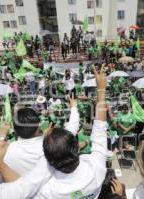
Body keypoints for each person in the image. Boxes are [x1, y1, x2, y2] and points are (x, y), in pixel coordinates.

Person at [36, 67, 108, 198]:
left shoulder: (45, 191)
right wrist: (101, 91)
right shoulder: (96, 170)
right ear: (77, 146)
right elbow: (100, 129)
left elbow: (95, 129)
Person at [2, 96, 79, 177]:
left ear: (15, 130)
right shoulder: (50, 145)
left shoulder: (6, 152)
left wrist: (2, 136)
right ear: (39, 126)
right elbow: (71, 130)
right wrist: (73, 107)